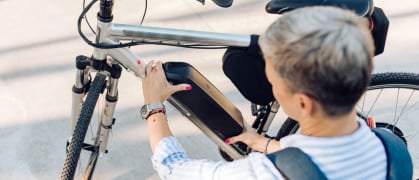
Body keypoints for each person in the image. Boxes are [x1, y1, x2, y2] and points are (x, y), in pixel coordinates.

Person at [139, 6, 386, 179]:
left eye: (274, 83)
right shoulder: (387, 145)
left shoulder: (264, 173)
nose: (272, 89)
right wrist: (263, 143)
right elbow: (316, 159)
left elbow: (172, 167)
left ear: (303, 103)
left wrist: (154, 106)